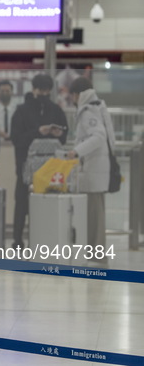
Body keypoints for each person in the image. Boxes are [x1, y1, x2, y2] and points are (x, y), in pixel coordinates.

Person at [10, 74, 68, 248]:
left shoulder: (56, 110)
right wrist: (37, 131)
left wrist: (58, 134)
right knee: (22, 203)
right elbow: (16, 138)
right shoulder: (22, 111)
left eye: (46, 90)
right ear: (33, 89)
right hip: (25, 166)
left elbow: (64, 137)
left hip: (51, 167)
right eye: (40, 89)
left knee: (47, 202)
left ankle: (45, 239)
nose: (43, 93)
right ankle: (18, 241)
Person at [66, 77, 114, 265]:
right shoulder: (98, 106)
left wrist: (76, 152)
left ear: (78, 94)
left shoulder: (88, 111)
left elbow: (99, 136)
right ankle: (96, 253)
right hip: (97, 170)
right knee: (96, 215)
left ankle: (97, 255)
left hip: (93, 171)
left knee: (94, 216)